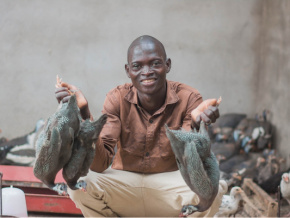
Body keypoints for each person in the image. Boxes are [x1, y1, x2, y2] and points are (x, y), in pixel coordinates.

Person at [55, 35, 226, 217]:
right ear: (128, 71)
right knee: (79, 184)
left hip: (169, 187)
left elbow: (189, 162)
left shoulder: (189, 98)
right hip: (124, 185)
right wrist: (83, 112)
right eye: (137, 66)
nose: (147, 71)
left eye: (155, 63)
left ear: (167, 65)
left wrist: (195, 124)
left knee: (213, 190)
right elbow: (99, 164)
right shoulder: (117, 98)